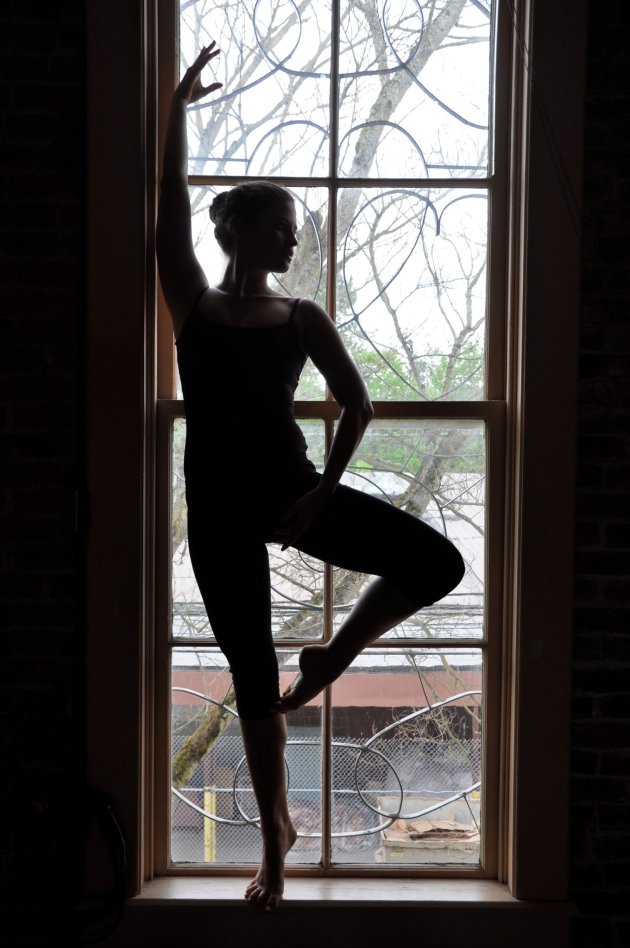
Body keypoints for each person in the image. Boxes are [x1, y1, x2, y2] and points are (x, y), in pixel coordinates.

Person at [156, 43, 465, 913]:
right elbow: (168, 208)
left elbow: (358, 405)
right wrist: (177, 113)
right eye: (285, 224)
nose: (296, 236)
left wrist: (324, 491)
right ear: (244, 229)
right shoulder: (194, 304)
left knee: (437, 564)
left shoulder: (302, 314)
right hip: (216, 509)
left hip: (291, 495)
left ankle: (340, 650)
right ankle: (278, 843)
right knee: (251, 674)